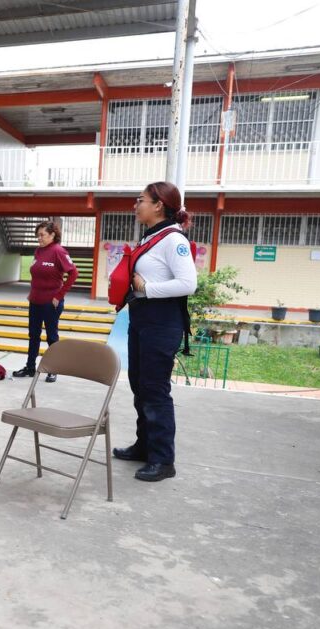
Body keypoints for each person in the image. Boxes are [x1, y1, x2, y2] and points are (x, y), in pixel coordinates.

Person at [112, 182, 198, 483]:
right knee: (140, 386)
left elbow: (188, 283)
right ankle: (144, 446)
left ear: (158, 205)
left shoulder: (173, 240)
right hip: (142, 321)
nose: (136, 205)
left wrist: (147, 289)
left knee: (155, 391)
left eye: (141, 200)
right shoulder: (152, 237)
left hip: (161, 324)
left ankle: (163, 460)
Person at [12, 219, 78, 384]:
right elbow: (37, 274)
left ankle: (53, 369)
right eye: (37, 235)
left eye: (42, 235)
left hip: (51, 303)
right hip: (35, 301)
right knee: (33, 335)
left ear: (52, 235)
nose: (39, 238)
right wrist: (32, 293)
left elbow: (73, 273)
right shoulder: (38, 251)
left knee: (51, 336)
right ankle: (30, 367)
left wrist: (59, 295)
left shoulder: (59, 251)